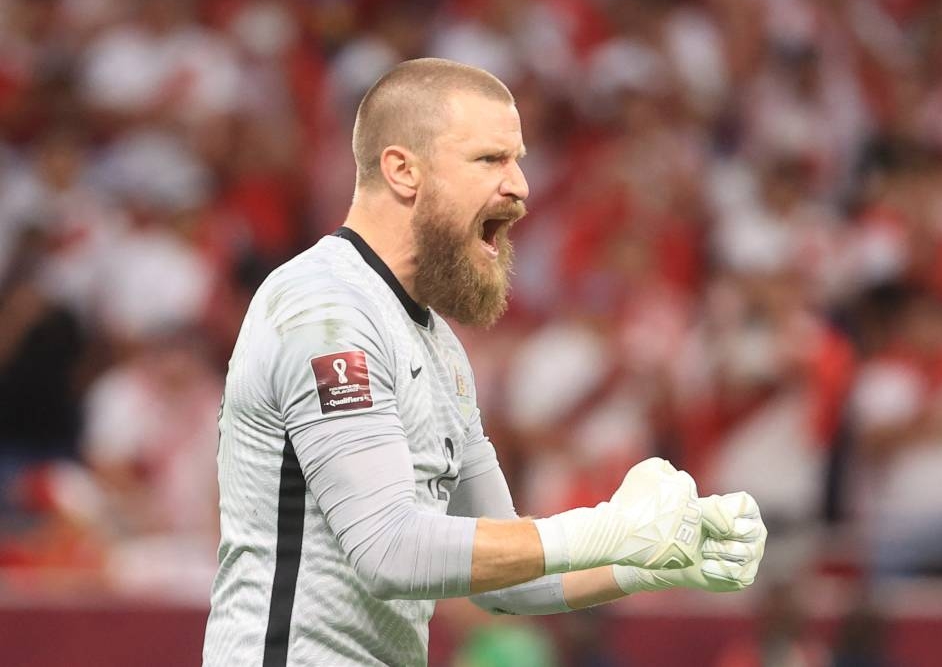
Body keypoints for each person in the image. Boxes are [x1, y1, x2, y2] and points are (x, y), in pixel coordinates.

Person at [202, 58, 767, 667]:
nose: (521, 187)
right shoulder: (326, 309)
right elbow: (388, 547)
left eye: (518, 159)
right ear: (403, 171)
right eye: (490, 160)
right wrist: (614, 527)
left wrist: (648, 563)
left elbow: (507, 582)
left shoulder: (440, 348)